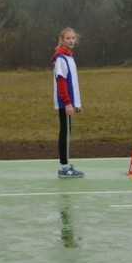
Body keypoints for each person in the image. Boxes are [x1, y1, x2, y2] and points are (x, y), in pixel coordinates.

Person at [51, 27, 85, 178]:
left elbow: (73, 83)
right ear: (62, 40)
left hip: (70, 102)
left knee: (67, 132)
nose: (71, 40)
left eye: (73, 38)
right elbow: (62, 82)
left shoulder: (69, 57)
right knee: (64, 133)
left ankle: (65, 165)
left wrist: (77, 103)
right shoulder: (61, 58)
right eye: (68, 38)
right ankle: (64, 167)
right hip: (65, 103)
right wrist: (68, 103)